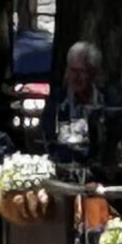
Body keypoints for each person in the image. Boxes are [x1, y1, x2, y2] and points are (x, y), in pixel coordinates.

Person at [40, 42, 109, 170]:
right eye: (72, 70)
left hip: (98, 171)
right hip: (63, 169)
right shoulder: (57, 101)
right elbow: (47, 137)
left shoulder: (106, 100)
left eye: (82, 71)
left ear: (94, 73)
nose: (76, 77)